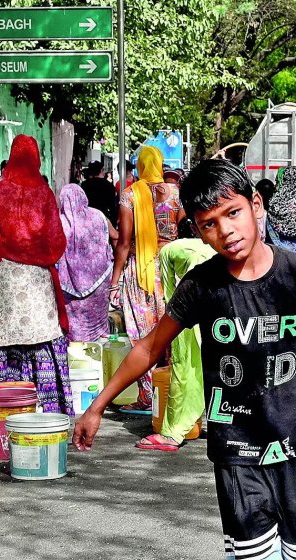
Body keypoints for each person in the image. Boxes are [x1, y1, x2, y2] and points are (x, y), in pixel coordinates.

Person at [73, 159, 296, 560]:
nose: (226, 231)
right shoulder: (201, 285)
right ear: (197, 230)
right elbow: (149, 348)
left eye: (232, 213)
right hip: (236, 453)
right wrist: (96, 407)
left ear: (255, 205)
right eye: (209, 224)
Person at [0, 135, 74, 416]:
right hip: (37, 281)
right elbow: (56, 242)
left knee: (5, 340)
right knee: (40, 340)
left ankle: (4, 410)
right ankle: (48, 409)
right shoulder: (43, 193)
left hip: (3, 278)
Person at [109, 146, 184, 414]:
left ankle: (148, 395)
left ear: (140, 166)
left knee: (143, 334)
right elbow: (187, 230)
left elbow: (124, 243)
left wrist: (114, 281)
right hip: (171, 269)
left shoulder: (130, 195)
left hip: (140, 272)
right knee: (173, 331)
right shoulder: (176, 194)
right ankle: (173, 393)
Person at [135, 237, 216, 451]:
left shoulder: (167, 252)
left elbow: (171, 296)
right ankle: (205, 422)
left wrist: (171, 334)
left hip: (189, 314)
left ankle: (173, 433)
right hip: (218, 311)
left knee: (185, 368)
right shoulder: (215, 246)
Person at [58, 184, 115, 343]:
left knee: (74, 324)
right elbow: (115, 236)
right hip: (100, 280)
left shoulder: (59, 222)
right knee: (97, 323)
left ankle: (76, 357)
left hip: (67, 284)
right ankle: (100, 356)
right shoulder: (99, 216)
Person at [81, 160, 119, 227]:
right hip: (104, 219)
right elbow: (113, 207)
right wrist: (113, 224)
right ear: (101, 170)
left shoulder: (84, 185)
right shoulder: (108, 185)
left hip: (87, 220)